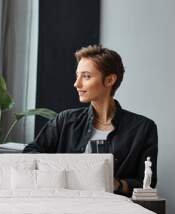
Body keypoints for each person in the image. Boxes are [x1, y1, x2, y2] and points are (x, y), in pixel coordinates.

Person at [23, 45, 158, 197]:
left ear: (110, 80)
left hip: (113, 210)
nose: (76, 84)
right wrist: (59, 172)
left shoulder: (143, 128)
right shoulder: (65, 120)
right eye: (77, 75)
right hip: (65, 203)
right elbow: (31, 153)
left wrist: (116, 184)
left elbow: (147, 184)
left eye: (86, 76)